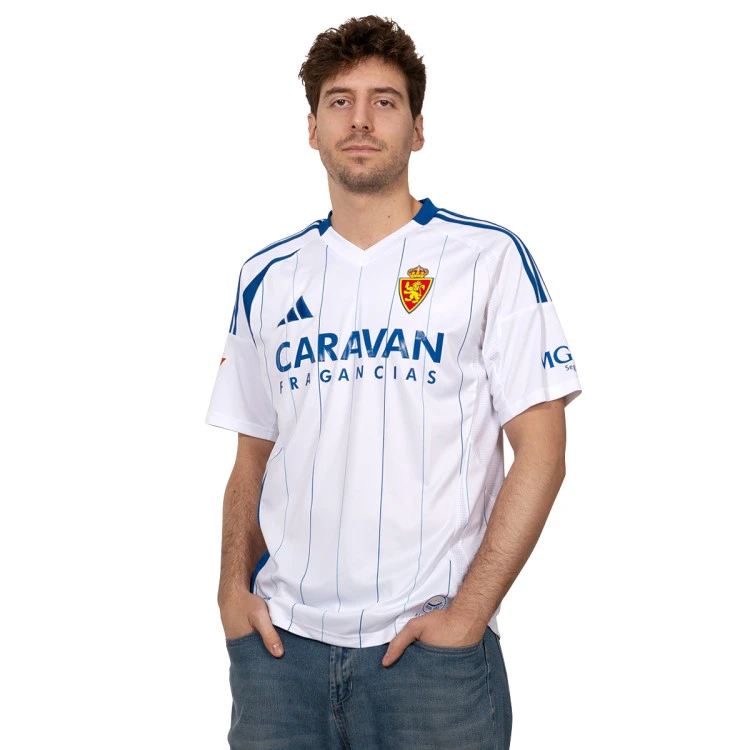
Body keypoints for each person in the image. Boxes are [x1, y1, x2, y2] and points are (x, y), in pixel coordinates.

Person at [206, 15, 582, 750]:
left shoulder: (489, 260)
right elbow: (252, 457)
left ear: (417, 129)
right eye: (339, 101)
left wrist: (468, 615)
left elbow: (543, 454)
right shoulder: (267, 277)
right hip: (280, 655)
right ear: (312, 128)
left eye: (385, 101)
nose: (361, 119)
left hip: (430, 659)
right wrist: (230, 591)